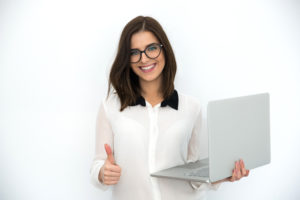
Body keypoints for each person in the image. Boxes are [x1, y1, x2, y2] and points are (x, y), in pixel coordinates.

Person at [90, 16, 249, 200]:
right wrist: (102, 173)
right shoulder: (110, 106)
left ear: (164, 50)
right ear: (127, 58)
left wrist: (220, 175)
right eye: (135, 52)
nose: (144, 59)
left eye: (152, 48)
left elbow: (194, 174)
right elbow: (98, 164)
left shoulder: (192, 107)